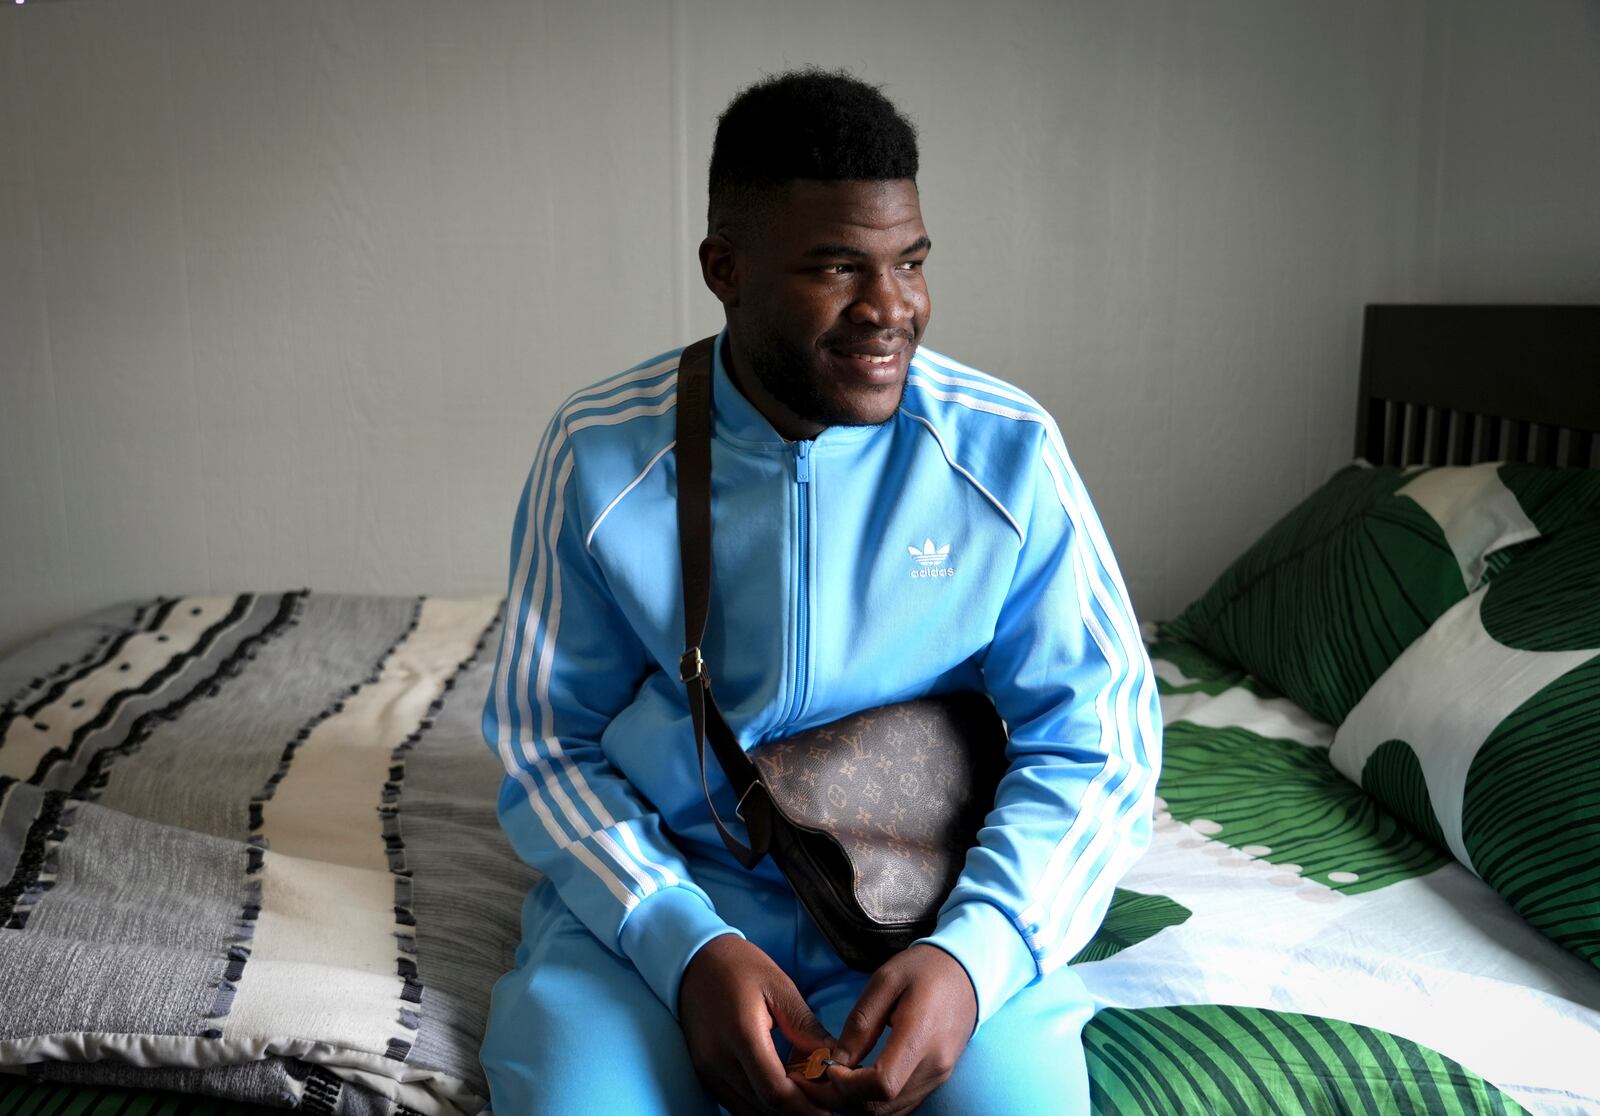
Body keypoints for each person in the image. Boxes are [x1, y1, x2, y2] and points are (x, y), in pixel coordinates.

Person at [479, 69, 1161, 1115]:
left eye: (911, 261)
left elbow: (1099, 740)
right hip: (668, 912)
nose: (891, 309)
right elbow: (544, 741)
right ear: (726, 269)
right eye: (838, 268)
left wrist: (977, 959)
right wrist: (681, 942)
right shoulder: (602, 453)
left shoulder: (1005, 450)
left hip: (933, 913)